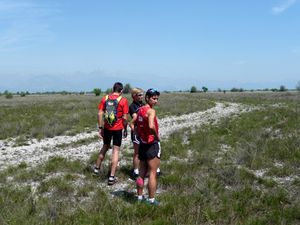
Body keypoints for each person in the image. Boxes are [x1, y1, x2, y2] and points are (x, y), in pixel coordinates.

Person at [94, 82, 129, 185]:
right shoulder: (123, 100)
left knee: (104, 147)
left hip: (107, 128)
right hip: (118, 129)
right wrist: (125, 129)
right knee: (115, 151)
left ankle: (96, 169)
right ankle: (111, 177)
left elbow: (100, 113)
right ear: (121, 90)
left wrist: (101, 128)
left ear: (113, 89)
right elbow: (125, 118)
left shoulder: (105, 98)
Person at [135, 88, 161, 205]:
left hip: (142, 144)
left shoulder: (140, 110)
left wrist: (139, 136)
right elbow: (151, 125)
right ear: (147, 98)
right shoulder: (151, 111)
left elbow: (135, 126)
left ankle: (139, 197)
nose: (155, 101)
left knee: (141, 172)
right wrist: (156, 136)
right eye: (153, 98)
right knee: (152, 172)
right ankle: (151, 200)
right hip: (151, 144)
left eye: (157, 98)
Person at [129, 88, 161, 180]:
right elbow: (133, 121)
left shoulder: (142, 106)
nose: (141, 97)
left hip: (144, 136)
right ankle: (136, 171)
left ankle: (139, 192)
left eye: (142, 95)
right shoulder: (133, 107)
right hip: (143, 136)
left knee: (143, 168)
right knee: (137, 154)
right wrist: (136, 132)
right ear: (134, 96)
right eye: (139, 95)